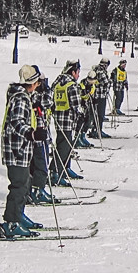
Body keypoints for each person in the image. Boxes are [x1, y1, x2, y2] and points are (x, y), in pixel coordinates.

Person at [0, 65, 47, 238]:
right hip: (17, 149)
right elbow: (16, 121)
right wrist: (31, 133)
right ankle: (11, 223)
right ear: (32, 83)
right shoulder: (20, 98)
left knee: (25, 183)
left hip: (22, 149)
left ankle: (19, 216)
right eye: (37, 82)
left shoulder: (25, 97)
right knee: (19, 186)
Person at [52, 60, 88, 188]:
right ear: (73, 72)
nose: (78, 75)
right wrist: (81, 115)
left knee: (63, 144)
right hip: (68, 119)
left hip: (58, 118)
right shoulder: (71, 85)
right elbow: (75, 104)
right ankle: (55, 172)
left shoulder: (57, 81)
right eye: (78, 73)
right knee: (64, 147)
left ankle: (64, 168)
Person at [27, 65, 60, 203]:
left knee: (39, 163)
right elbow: (45, 102)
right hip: (35, 135)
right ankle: (36, 190)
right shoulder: (31, 94)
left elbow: (49, 104)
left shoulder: (40, 93)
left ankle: (34, 189)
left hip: (40, 132)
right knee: (40, 164)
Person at [88, 57, 111, 139]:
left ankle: (95, 129)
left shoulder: (95, 70)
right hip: (100, 95)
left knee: (95, 113)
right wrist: (109, 83)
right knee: (100, 114)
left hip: (94, 95)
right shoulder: (101, 71)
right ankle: (98, 130)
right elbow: (106, 82)